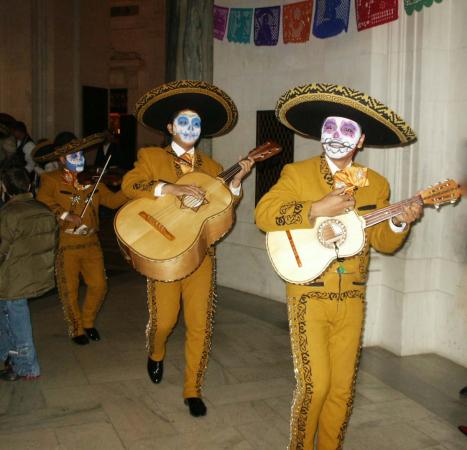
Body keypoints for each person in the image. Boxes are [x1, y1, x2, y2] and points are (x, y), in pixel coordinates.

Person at [255, 83, 423, 450]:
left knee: (342, 390)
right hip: (307, 294)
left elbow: (383, 242)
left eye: (347, 130)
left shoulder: (376, 184)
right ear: (321, 133)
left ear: (361, 140)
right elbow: (264, 214)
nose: (336, 136)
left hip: (352, 298)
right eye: (330, 127)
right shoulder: (297, 175)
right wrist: (315, 209)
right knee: (315, 387)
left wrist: (399, 222)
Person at [121, 80, 254, 417]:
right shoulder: (151, 156)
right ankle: (156, 351)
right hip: (163, 254)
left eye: (196, 123)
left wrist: (235, 185)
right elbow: (130, 185)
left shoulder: (212, 167)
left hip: (200, 256)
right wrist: (172, 190)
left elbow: (223, 211)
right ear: (170, 127)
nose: (190, 128)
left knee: (200, 324)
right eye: (183, 121)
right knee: (164, 320)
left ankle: (193, 388)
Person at [35, 132, 127, 345]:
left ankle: (88, 321)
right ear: (61, 159)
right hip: (66, 244)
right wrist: (66, 215)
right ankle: (76, 327)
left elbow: (112, 201)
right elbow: (43, 202)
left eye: (81, 155)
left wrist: (130, 188)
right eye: (73, 155)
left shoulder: (92, 180)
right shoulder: (51, 180)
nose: (80, 159)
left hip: (91, 242)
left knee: (99, 285)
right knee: (70, 289)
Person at [0, 167, 57, 380]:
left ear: (5, 188)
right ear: (29, 185)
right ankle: (9, 356)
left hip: (12, 279)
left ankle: (26, 367)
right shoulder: (43, 209)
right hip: (34, 274)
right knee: (8, 318)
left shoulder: (8, 213)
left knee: (17, 323)